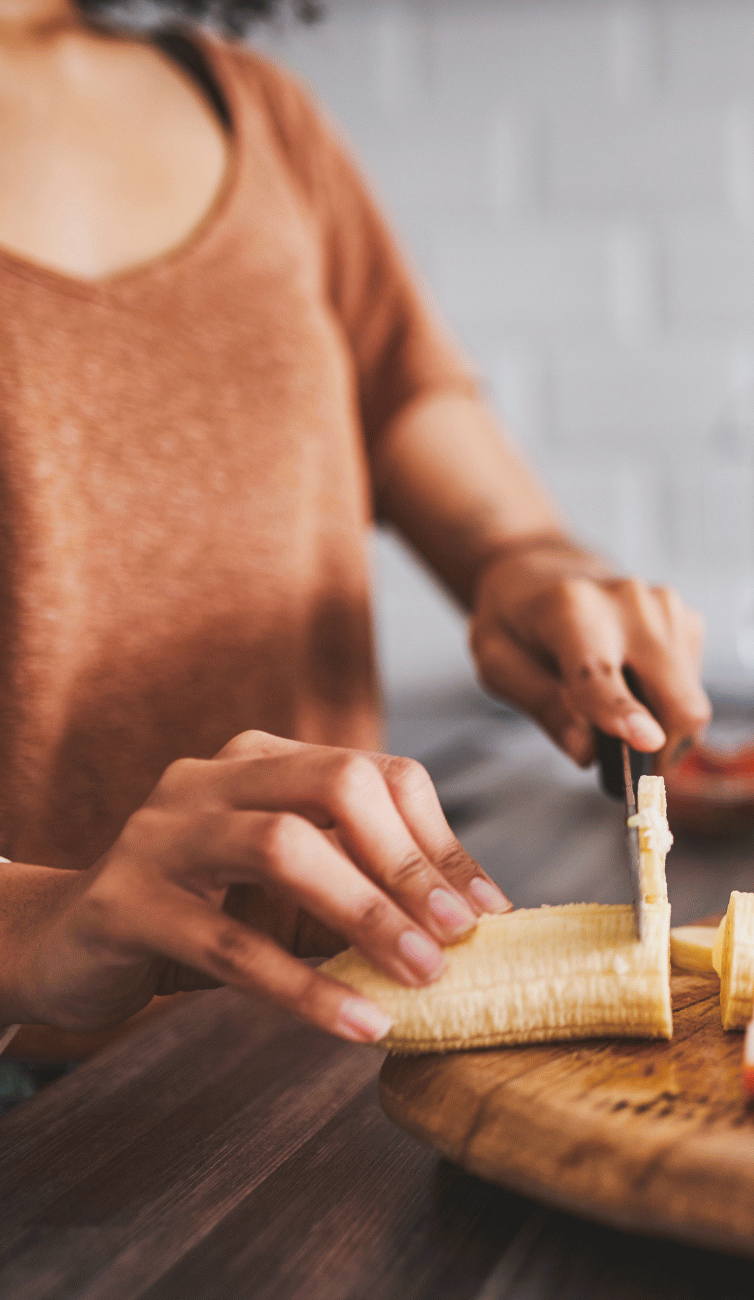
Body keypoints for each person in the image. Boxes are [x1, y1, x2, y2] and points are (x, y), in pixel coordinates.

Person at [0, 0, 711, 1054]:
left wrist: (536, 570)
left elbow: (414, 413)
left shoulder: (250, 110)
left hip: (326, 1047)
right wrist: (34, 923)